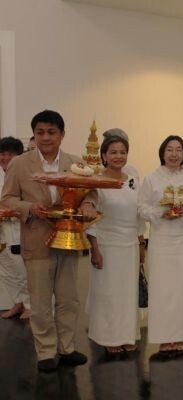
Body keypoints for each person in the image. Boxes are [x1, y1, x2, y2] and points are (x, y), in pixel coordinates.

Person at [0, 110, 96, 372]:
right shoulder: (20, 163)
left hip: (68, 240)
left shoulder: (75, 163)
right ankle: (45, 351)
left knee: (68, 299)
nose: (45, 137)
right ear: (34, 134)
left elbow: (91, 192)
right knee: (40, 301)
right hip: (36, 239)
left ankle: (66, 348)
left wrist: (88, 203)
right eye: (40, 132)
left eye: (51, 132)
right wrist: (30, 207)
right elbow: (6, 199)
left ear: (62, 135)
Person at [138, 135, 183, 354]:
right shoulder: (152, 178)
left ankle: (181, 335)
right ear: (162, 153)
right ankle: (164, 337)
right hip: (161, 240)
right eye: (169, 150)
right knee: (162, 288)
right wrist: (160, 212)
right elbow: (142, 208)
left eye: (178, 150)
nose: (174, 154)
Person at [86, 132, 145, 354]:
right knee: (108, 293)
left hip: (129, 245)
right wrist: (94, 249)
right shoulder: (97, 181)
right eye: (113, 152)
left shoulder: (132, 180)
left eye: (123, 152)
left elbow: (139, 215)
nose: (119, 156)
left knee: (127, 294)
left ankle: (128, 334)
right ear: (104, 155)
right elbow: (92, 220)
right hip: (107, 245)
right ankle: (108, 337)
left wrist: (141, 244)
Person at [0, 137, 31, 319]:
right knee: (6, 270)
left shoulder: (25, 175)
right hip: (2, 230)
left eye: (10, 154)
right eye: (2, 154)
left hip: (18, 229)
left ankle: (29, 305)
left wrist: (10, 211)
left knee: (21, 269)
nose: (5, 157)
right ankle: (17, 302)